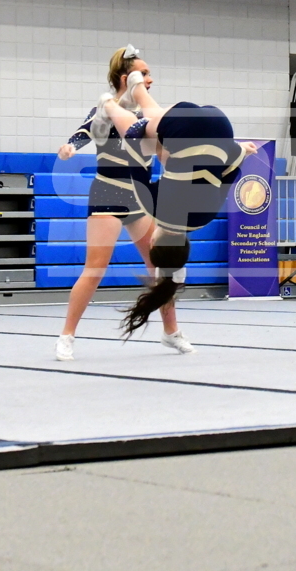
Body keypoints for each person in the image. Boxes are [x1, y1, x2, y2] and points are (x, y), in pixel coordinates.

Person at [53, 46, 192, 361]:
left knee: (162, 268)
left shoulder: (148, 114)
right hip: (109, 193)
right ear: (125, 77)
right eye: (144, 73)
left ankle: (171, 332)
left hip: (141, 197)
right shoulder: (105, 108)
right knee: (95, 269)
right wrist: (69, 147)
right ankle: (67, 335)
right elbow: (82, 133)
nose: (150, 79)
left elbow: (163, 154)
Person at [95, 73, 258, 337]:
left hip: (221, 126)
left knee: (167, 149)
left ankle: (138, 91)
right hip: (183, 125)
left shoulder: (204, 219)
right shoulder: (154, 208)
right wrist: (140, 131)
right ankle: (110, 104)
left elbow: (230, 173)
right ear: (152, 242)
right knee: (144, 136)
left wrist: (240, 151)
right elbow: (135, 154)